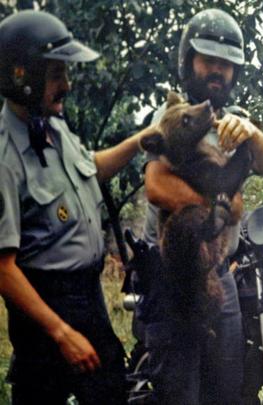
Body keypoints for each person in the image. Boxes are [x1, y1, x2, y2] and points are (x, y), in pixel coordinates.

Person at [0, 10, 149, 405]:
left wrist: (142, 140)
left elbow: (91, 168)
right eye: (55, 76)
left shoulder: (52, 125)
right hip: (45, 318)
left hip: (90, 303)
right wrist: (61, 333)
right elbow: (3, 268)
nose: (66, 85)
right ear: (22, 76)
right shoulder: (4, 157)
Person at [139, 8, 263, 405]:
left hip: (220, 274)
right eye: (209, 61)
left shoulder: (234, 123)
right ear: (189, 61)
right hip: (177, 273)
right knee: (180, 390)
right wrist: (222, 203)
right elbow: (158, 186)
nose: (218, 71)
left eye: (226, 64)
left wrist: (253, 133)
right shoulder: (172, 116)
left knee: (226, 386)